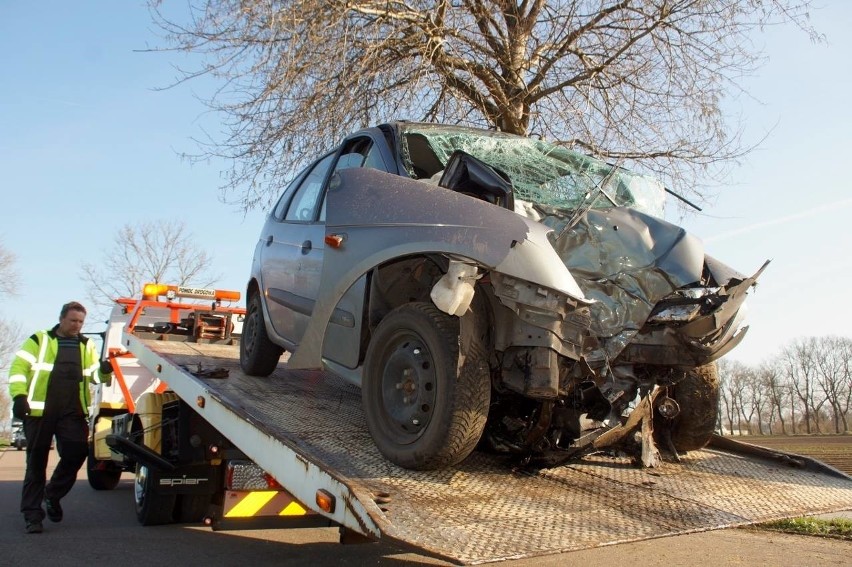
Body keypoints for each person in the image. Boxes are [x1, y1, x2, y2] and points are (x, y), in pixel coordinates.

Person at [8, 301, 113, 534]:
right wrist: (18, 397)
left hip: (72, 411)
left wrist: (104, 371)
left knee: (76, 453)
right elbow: (17, 369)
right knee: (36, 465)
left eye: (81, 322)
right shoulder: (39, 340)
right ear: (62, 319)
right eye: (73, 320)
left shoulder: (87, 345)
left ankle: (52, 494)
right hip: (39, 412)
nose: (77, 325)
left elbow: (95, 377)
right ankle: (32, 516)